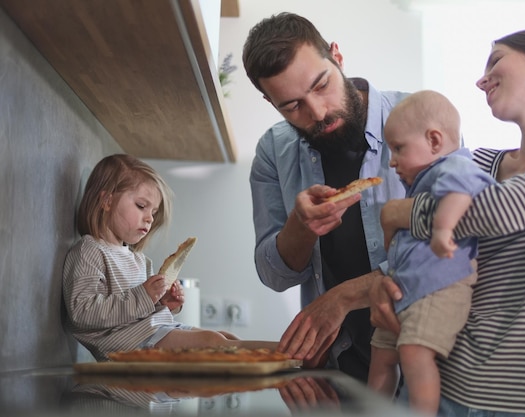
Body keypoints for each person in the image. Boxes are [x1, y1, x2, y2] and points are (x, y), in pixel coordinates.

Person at [370, 29, 525, 417]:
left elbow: (501, 212)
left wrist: (396, 212)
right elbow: (416, 254)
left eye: (496, 60)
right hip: (448, 388)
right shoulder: (478, 164)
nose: (480, 79)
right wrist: (378, 286)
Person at [242, 12, 408, 382]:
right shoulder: (273, 151)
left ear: (337, 56)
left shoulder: (422, 119)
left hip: (424, 371)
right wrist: (300, 227)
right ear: (270, 103)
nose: (317, 112)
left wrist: (342, 297)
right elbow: (274, 275)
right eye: (292, 106)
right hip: (337, 374)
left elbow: (451, 254)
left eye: (321, 85)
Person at [63, 154, 277, 361]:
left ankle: (289, 355)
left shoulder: (139, 260)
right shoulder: (90, 251)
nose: (149, 218)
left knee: (225, 337)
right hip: (129, 348)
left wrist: (163, 303)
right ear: (107, 201)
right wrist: (145, 297)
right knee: (214, 342)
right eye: (141, 206)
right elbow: (82, 312)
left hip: (149, 333)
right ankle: (290, 354)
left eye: (153, 212)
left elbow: (141, 310)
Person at [367, 90, 494, 415]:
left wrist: (442, 229)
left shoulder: (455, 167)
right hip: (407, 289)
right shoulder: (424, 179)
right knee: (381, 354)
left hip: (439, 289)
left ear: (434, 141)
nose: (392, 160)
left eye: (398, 148)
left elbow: (461, 194)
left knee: (413, 353)